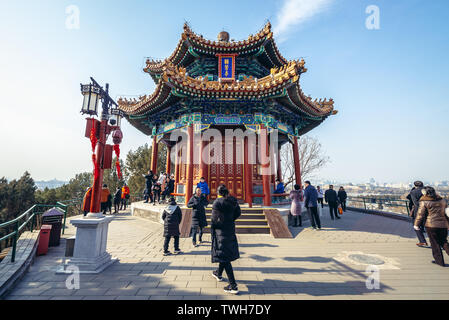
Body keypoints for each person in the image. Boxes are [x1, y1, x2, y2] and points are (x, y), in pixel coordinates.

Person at [210, 184, 241, 295]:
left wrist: (218, 225)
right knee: (224, 254)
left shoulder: (217, 202)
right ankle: (218, 273)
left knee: (225, 258)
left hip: (221, 232)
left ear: (218, 193)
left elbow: (214, 219)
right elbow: (238, 213)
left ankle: (233, 285)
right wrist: (230, 220)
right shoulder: (233, 202)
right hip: (230, 230)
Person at [414, 186, 449, 267]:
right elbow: (447, 213)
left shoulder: (424, 201)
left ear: (425, 193)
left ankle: (439, 261)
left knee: (434, 243)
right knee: (444, 242)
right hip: (443, 225)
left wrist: (416, 225)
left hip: (431, 225)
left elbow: (420, 214)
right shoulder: (442, 200)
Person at [409, 181, 428, 247]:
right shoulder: (427, 190)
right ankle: (437, 241)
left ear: (415, 185)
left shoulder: (413, 192)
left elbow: (416, 203)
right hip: (429, 210)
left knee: (416, 226)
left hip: (419, 211)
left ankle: (422, 241)